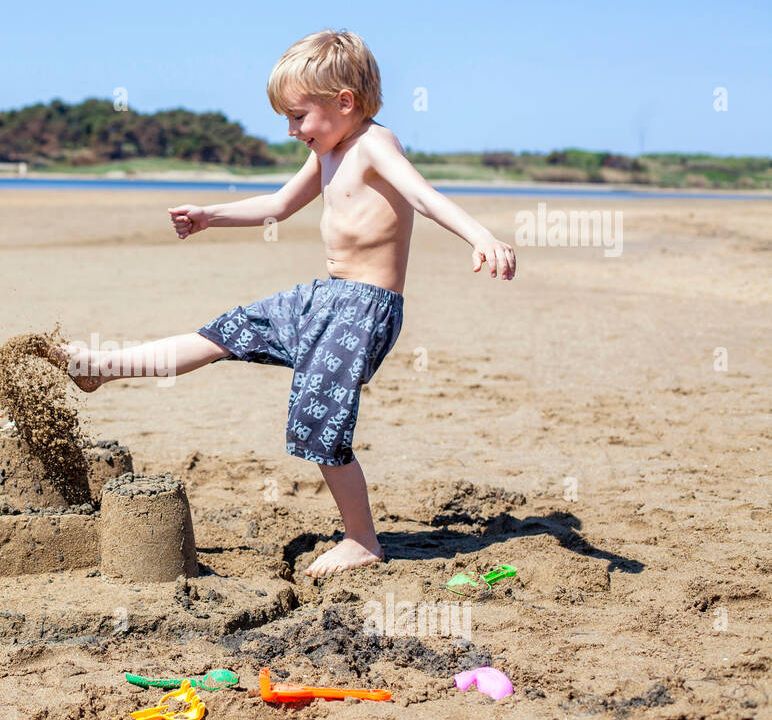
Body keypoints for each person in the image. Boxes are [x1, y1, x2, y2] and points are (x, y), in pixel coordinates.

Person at [47, 29, 516, 576]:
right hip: (323, 298)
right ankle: (100, 368)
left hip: (361, 312)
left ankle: (363, 540)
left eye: (298, 117)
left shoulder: (374, 144)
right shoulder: (330, 152)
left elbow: (422, 195)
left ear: (345, 102)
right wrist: (210, 215)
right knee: (223, 333)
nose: (293, 131)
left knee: (322, 427)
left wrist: (480, 235)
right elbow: (277, 204)